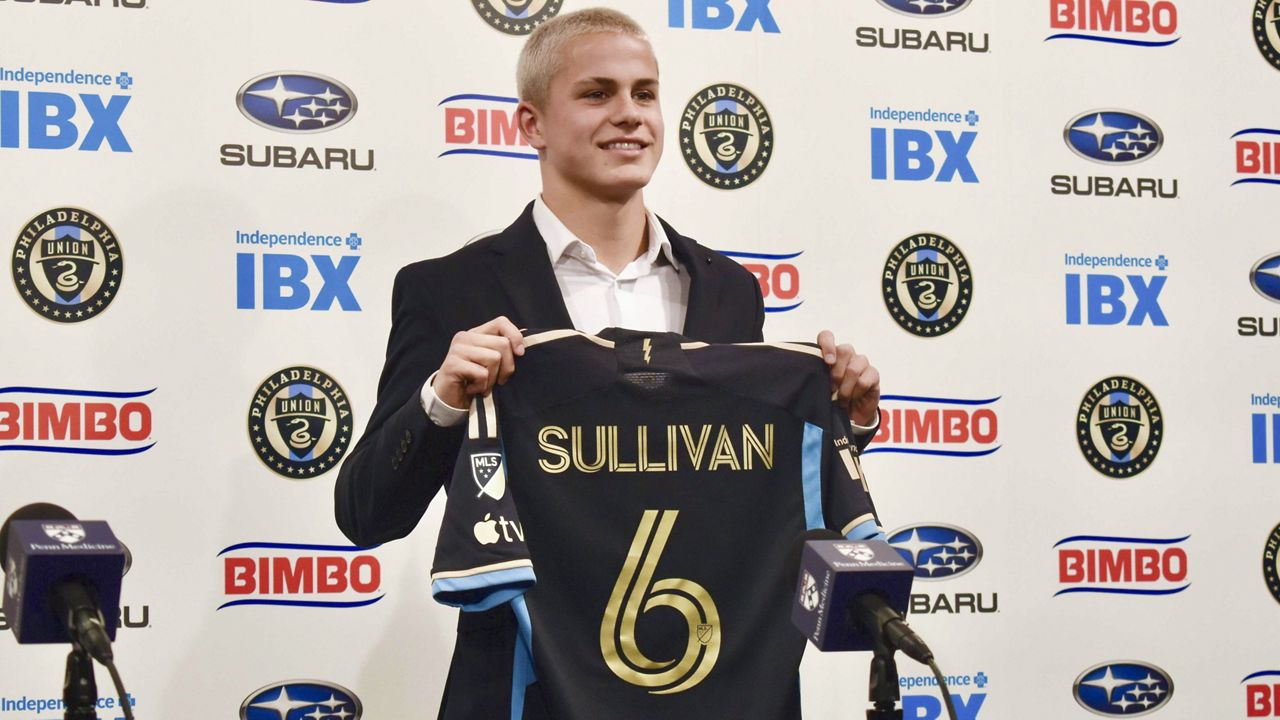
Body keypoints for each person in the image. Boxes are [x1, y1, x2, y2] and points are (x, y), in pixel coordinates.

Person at [333, 8, 882, 718]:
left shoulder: (729, 292)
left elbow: (743, 488)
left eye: (645, 93)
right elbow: (366, 514)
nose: (629, 115)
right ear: (530, 124)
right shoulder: (449, 290)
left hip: (712, 686)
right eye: (597, 94)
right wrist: (442, 399)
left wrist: (844, 422)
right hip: (529, 693)